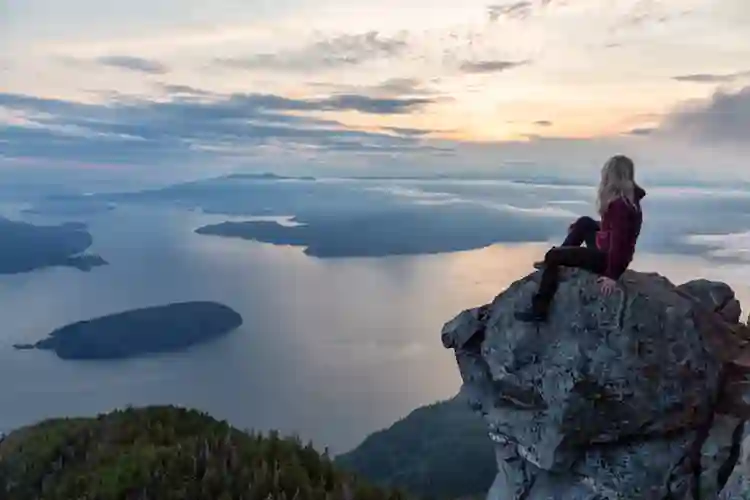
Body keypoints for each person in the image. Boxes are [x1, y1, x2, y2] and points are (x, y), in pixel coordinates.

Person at [515, 155, 646, 323]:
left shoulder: (620, 205)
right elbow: (619, 231)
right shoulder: (629, 199)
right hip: (608, 251)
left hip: (607, 259)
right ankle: (558, 258)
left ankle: (540, 310)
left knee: (553, 255)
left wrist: (612, 275)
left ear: (612, 176)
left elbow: (620, 242)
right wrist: (582, 226)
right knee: (585, 222)